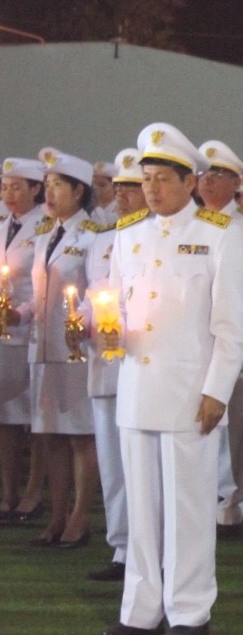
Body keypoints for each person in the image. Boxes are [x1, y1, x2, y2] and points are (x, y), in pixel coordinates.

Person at [98, 122, 243, 635]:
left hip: (190, 392)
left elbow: (231, 326)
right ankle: (139, 608)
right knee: (142, 508)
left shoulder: (218, 233)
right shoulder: (129, 232)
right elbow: (114, 305)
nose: (153, 189)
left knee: (187, 506)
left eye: (164, 178)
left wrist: (217, 390)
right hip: (138, 384)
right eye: (148, 179)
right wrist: (104, 329)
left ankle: (189, 610)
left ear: (190, 182)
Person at [22, 148, 101, 549]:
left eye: (57, 186)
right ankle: (55, 515)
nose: (48, 194)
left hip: (76, 350)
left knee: (80, 436)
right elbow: (40, 295)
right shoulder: (45, 235)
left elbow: (98, 289)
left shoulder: (94, 236)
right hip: (43, 349)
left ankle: (78, 517)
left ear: (79, 190)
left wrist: (81, 318)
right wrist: (19, 312)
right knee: (50, 436)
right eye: (47, 185)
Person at [83, 147, 144, 582]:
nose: (121, 197)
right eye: (118, 189)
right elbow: (93, 296)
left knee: (143, 464)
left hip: (143, 363)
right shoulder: (103, 240)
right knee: (112, 462)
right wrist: (81, 326)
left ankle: (147, 547)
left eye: (130, 189)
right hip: (104, 365)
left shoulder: (157, 238)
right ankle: (122, 546)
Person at [195, 140, 243, 538]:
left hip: (236, 338)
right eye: (203, 175)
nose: (207, 183)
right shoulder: (192, 223)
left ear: (236, 181)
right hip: (193, 341)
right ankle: (203, 498)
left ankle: (231, 503)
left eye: (217, 175)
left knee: (233, 427)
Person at [0, 157, 47, 522]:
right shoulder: (4, 222)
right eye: (5, 186)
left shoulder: (44, 225)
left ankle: (33, 492)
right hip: (3, 334)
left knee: (35, 418)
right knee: (5, 417)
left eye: (18, 186)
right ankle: (7, 492)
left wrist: (23, 312)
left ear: (36, 188)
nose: (9, 193)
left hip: (30, 330)